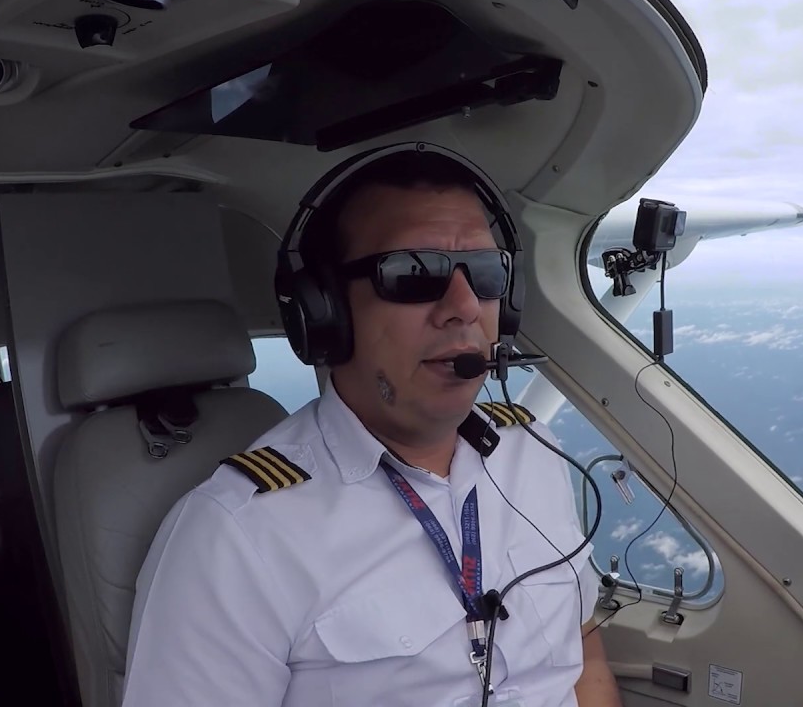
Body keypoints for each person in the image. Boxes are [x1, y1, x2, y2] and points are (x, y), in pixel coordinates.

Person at [122, 146, 622, 706]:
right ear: (325, 312)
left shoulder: (531, 449)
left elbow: (584, 654)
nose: (464, 306)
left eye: (486, 273)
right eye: (412, 273)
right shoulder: (237, 534)